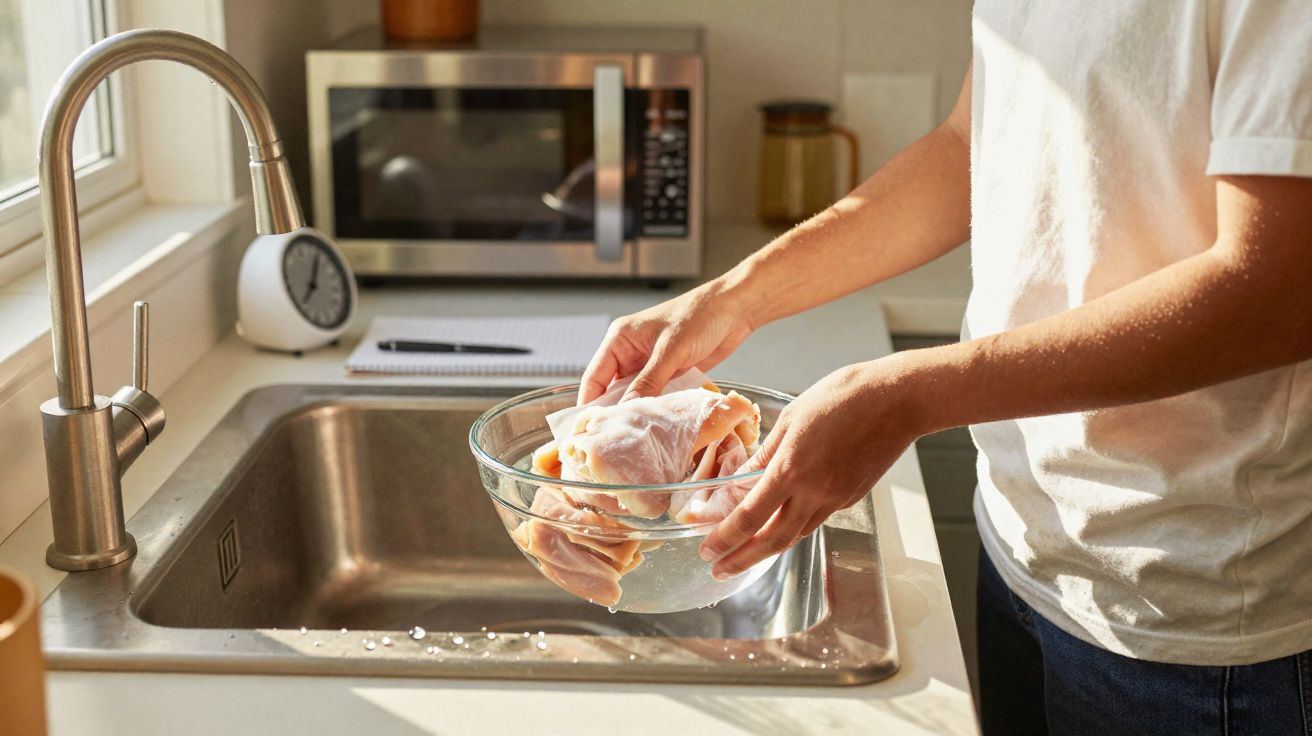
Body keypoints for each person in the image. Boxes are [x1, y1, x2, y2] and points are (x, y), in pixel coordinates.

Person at [580, 2, 1312, 734]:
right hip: (1026, 546)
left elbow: (1280, 291)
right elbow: (970, 145)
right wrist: (732, 299)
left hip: (1199, 608)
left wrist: (911, 396)